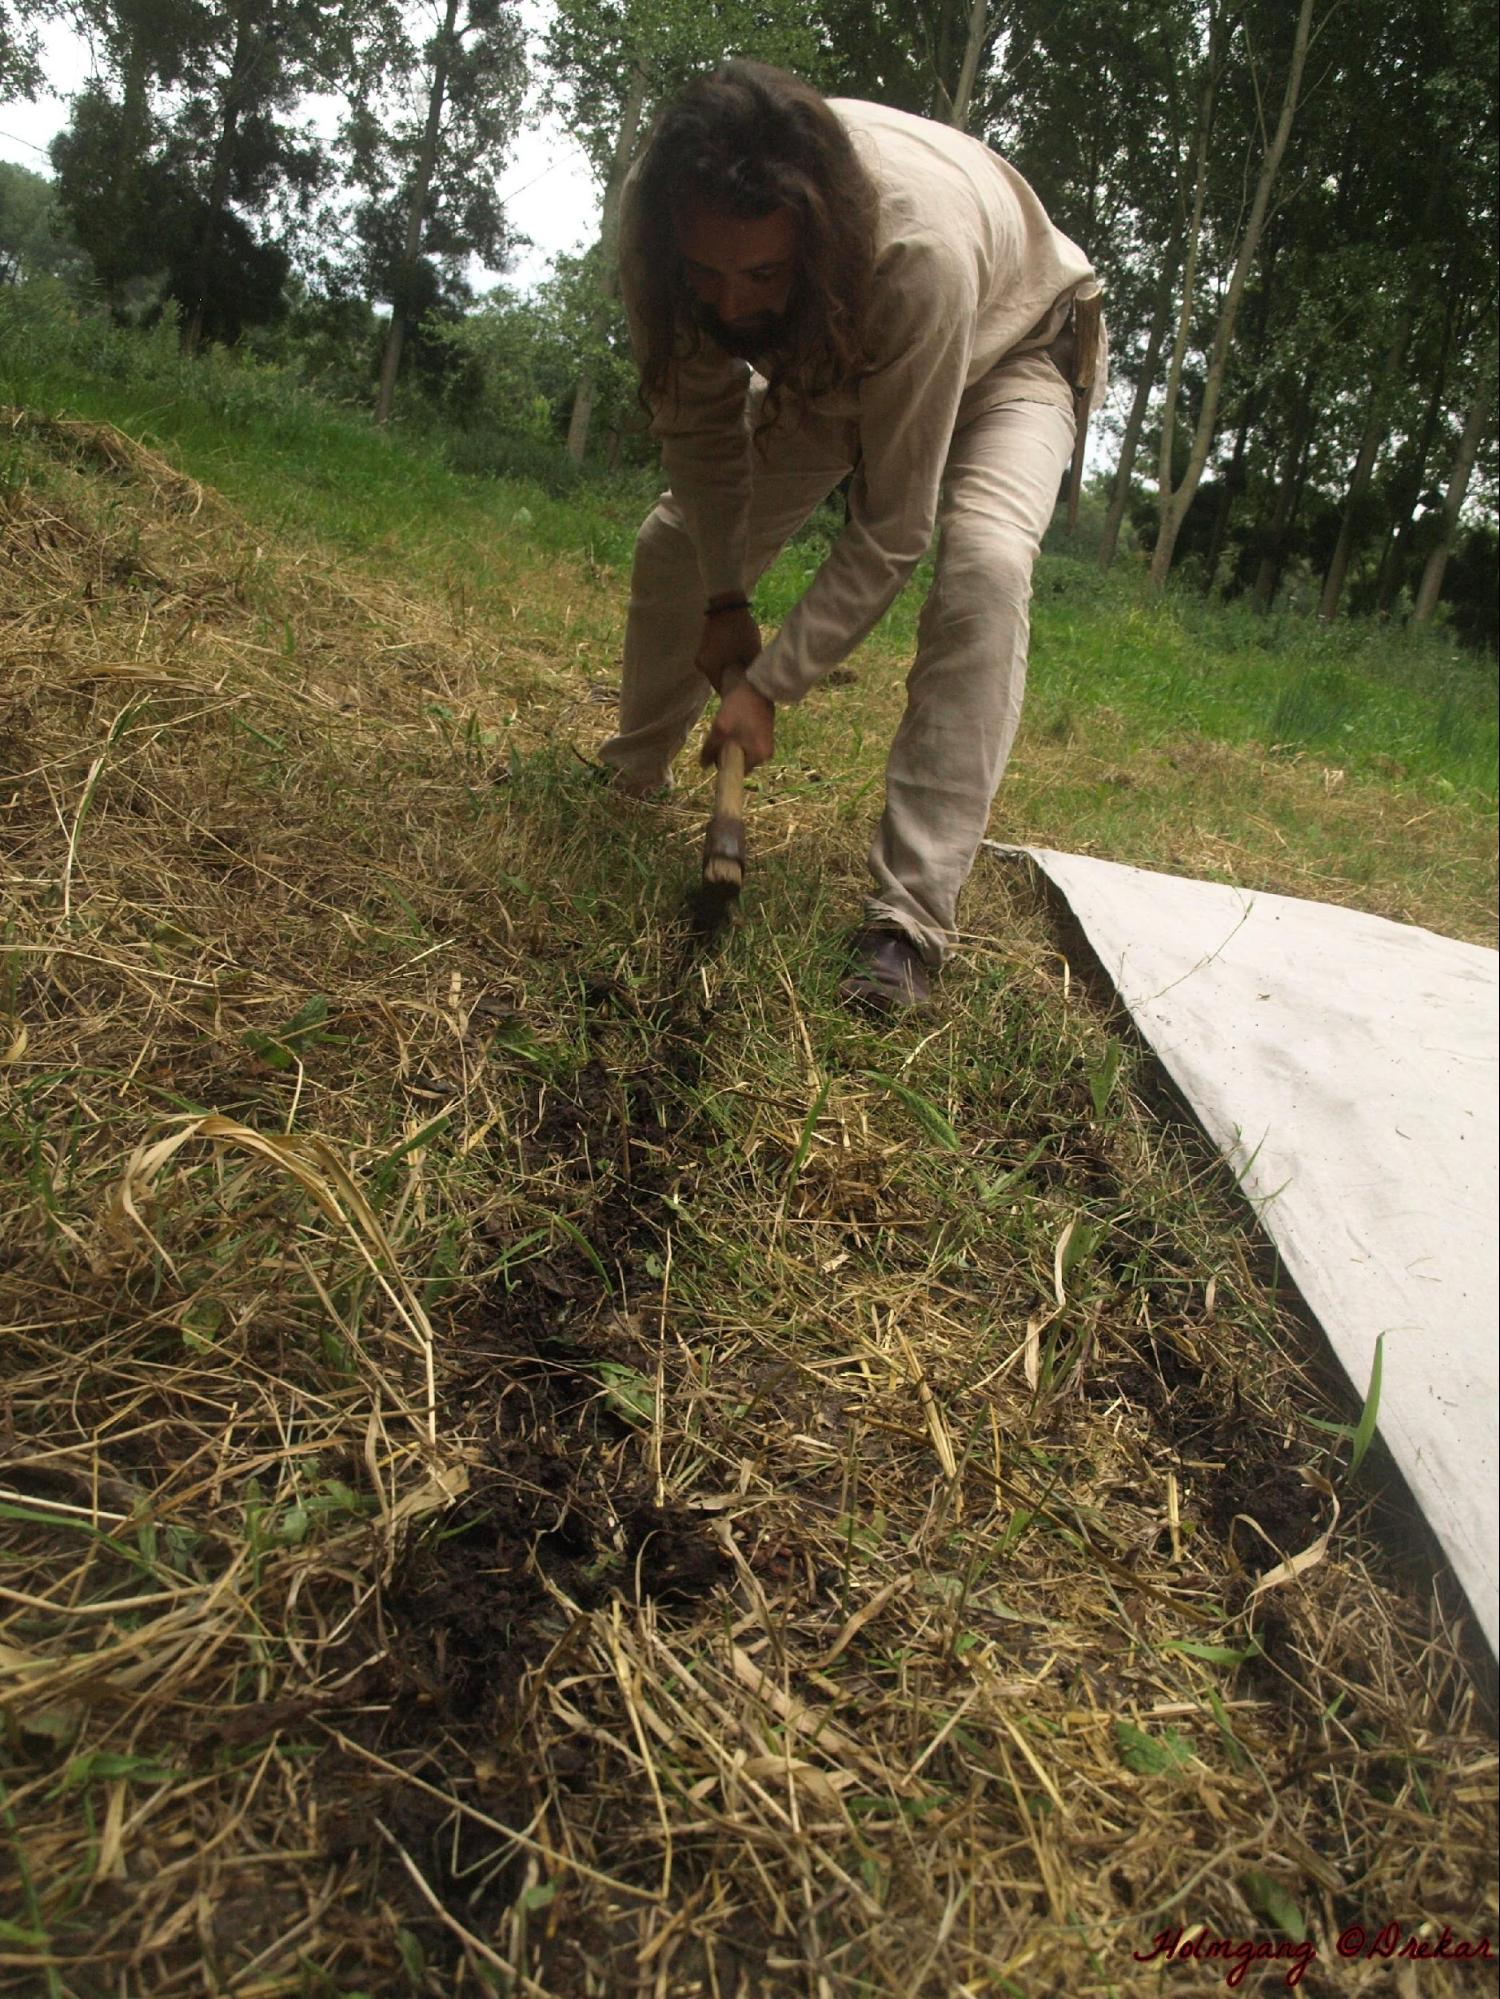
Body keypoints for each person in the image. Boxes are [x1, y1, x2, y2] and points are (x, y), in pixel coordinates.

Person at [598, 60, 1104, 1011]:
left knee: (985, 567)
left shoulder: (918, 258)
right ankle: (628, 778)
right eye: (707, 272)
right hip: (829, 341)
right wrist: (724, 601)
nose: (730, 304)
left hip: (1010, 350)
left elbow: (890, 529)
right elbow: (700, 432)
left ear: (812, 241)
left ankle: (905, 923)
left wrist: (768, 686)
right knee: (679, 542)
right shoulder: (660, 216)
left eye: (758, 273)